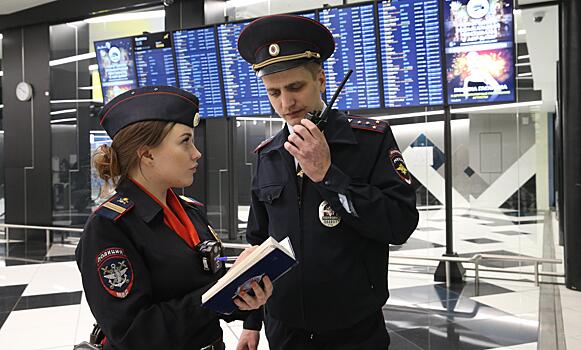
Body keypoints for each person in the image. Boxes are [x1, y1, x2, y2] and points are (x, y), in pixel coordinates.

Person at [236, 15, 419, 349]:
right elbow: (259, 243)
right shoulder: (268, 155)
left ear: (320, 79)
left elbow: (400, 224)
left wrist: (329, 176)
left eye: (295, 87)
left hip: (353, 328)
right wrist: (252, 323)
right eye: (273, 92)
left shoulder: (369, 140)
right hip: (284, 327)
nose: (285, 104)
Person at [75, 86, 272, 350]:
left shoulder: (190, 211)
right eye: (185, 141)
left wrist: (243, 296)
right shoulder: (109, 228)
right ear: (147, 154)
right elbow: (135, 333)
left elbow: (202, 290)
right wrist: (217, 293)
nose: (196, 153)